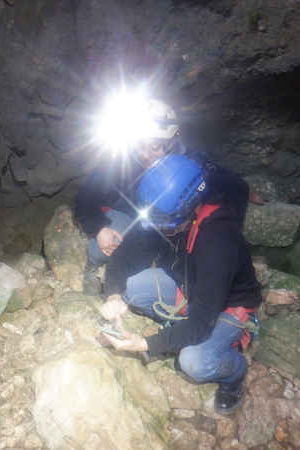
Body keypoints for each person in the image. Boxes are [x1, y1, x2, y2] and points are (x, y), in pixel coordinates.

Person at [99, 154, 262, 414]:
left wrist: (145, 343)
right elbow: (125, 256)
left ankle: (235, 371)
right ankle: (177, 332)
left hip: (226, 307)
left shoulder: (218, 240)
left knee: (194, 362)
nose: (156, 227)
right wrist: (114, 296)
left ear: (188, 212)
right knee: (129, 286)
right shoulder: (161, 213)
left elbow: (202, 322)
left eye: (163, 225)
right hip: (188, 287)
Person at [74, 99, 251, 295]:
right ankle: (95, 265)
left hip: (170, 234)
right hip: (136, 223)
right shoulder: (123, 161)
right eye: (140, 146)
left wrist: (232, 236)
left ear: (171, 143)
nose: (145, 155)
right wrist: (99, 228)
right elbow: (86, 195)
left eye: (155, 147)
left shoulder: (189, 165)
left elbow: (237, 187)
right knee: (107, 243)